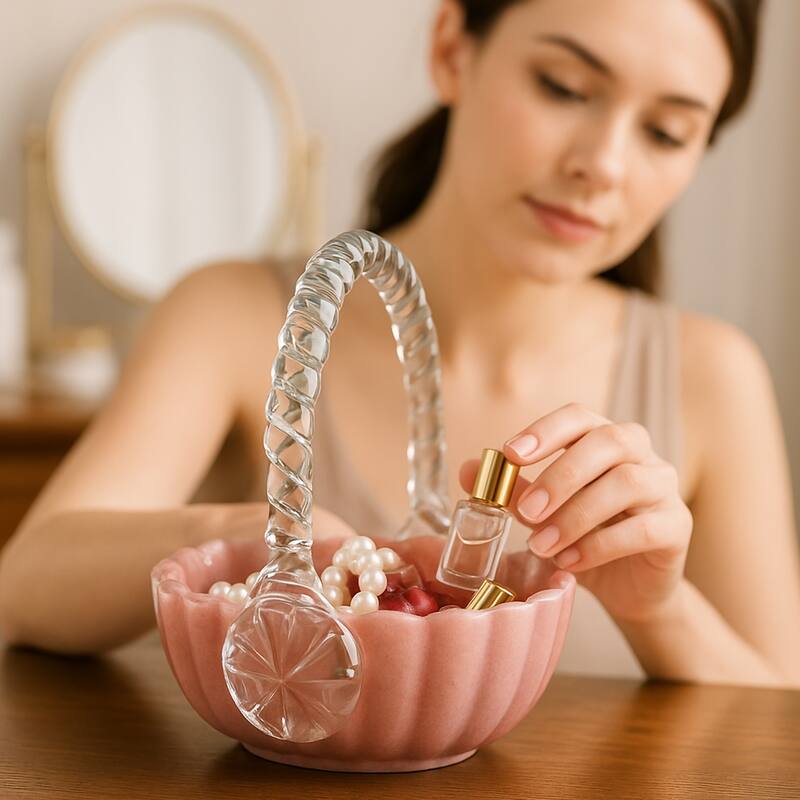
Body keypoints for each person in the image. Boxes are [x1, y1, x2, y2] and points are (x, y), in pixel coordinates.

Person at [2, 0, 799, 688]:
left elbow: (777, 726)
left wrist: (658, 611)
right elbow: (23, 589)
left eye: (666, 132)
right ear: (453, 48)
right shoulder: (234, 316)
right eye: (564, 87)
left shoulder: (713, 378)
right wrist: (251, 537)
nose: (603, 164)